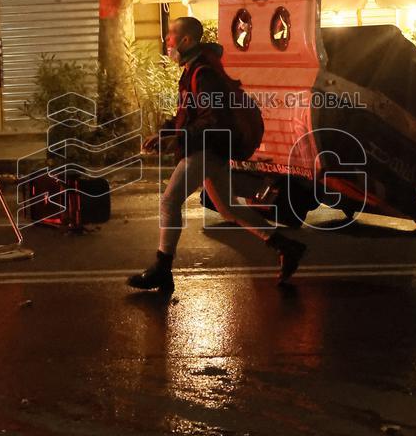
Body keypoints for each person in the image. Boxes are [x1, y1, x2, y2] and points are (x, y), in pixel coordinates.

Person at [127, 17, 307, 293]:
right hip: (208, 147)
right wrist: (166, 133)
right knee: (228, 208)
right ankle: (286, 246)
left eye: (171, 35)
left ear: (187, 40)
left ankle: (162, 270)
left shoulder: (203, 74)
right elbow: (188, 115)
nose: (167, 40)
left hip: (206, 149)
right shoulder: (194, 70)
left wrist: (180, 136)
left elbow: (214, 120)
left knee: (169, 202)